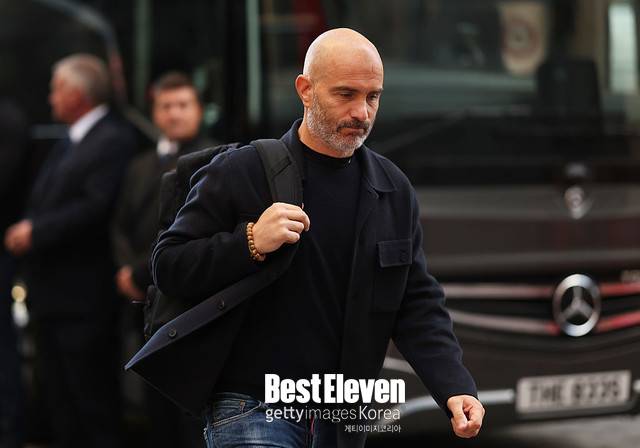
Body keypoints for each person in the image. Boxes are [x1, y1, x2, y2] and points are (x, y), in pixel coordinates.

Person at [149, 28, 484, 447]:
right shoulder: (242, 171)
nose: (361, 112)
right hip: (252, 405)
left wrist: (454, 386)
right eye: (345, 94)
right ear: (305, 90)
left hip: (340, 417)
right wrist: (249, 242)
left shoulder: (392, 189)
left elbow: (415, 301)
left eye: (373, 97)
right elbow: (169, 265)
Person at [4, 54, 135, 448]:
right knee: (61, 404)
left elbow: (94, 207)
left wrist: (36, 231)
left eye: (56, 89)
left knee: (91, 402)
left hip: (83, 298)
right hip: (52, 297)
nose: (50, 98)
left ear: (78, 94)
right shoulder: (70, 140)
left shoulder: (112, 139)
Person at [111, 71, 211, 448]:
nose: (174, 113)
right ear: (154, 113)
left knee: (189, 416)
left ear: (199, 110)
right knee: (154, 412)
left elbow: (191, 229)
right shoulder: (138, 166)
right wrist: (125, 272)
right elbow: (119, 225)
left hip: (187, 305)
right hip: (143, 305)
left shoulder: (217, 159)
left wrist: (142, 274)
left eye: (183, 105)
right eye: (166, 106)